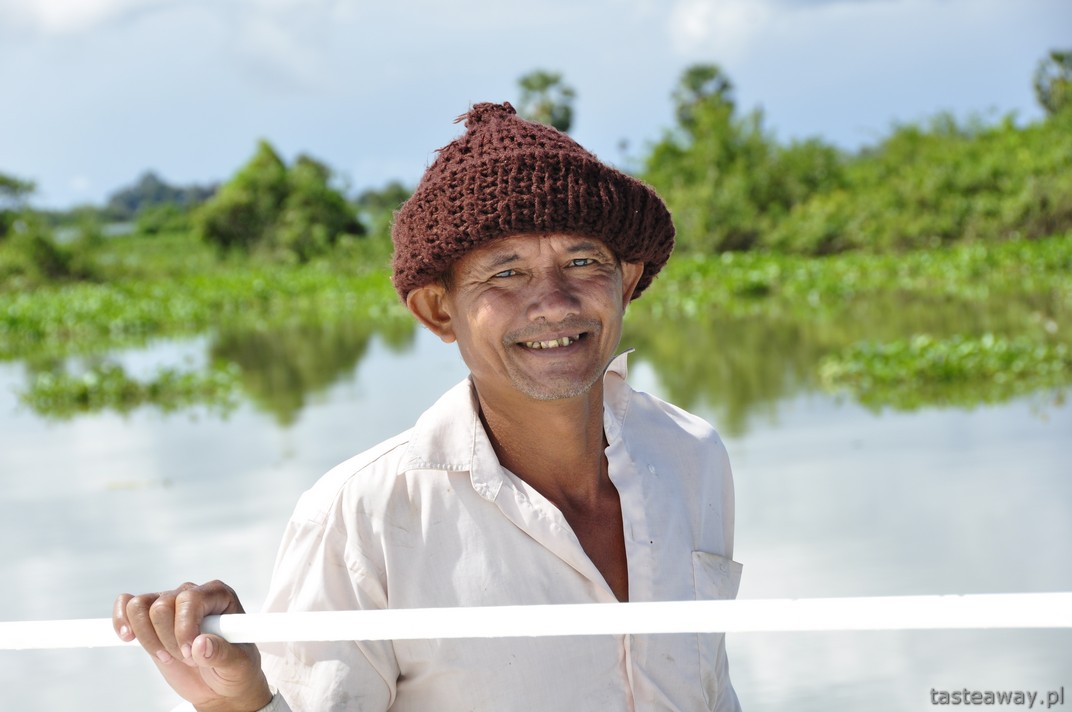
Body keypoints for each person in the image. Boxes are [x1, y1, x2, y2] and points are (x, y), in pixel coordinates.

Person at [113, 101, 743, 711]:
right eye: (506, 273)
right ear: (439, 311)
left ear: (625, 282)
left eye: (583, 262)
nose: (554, 302)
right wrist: (238, 702)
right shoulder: (362, 516)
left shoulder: (690, 455)